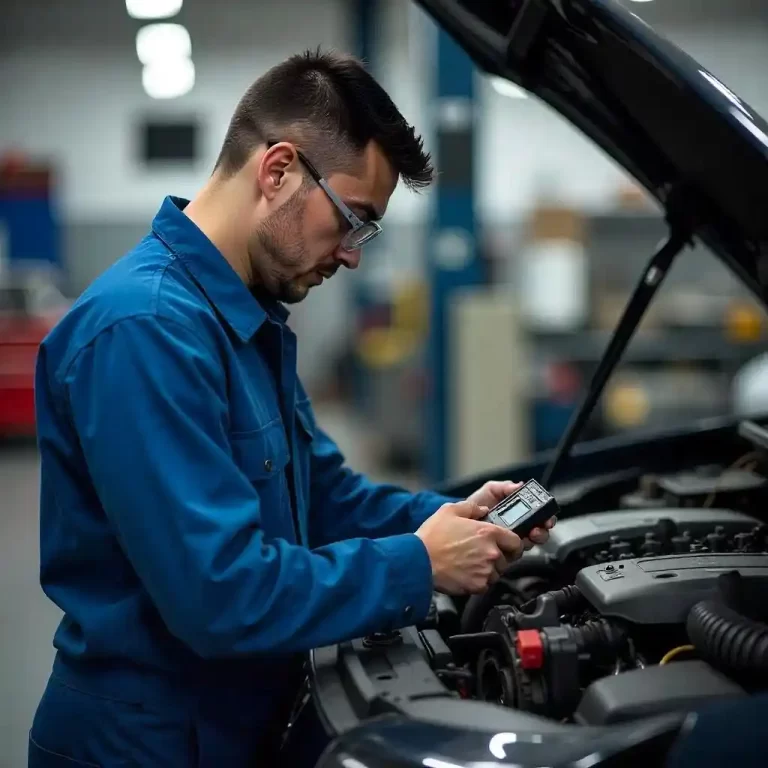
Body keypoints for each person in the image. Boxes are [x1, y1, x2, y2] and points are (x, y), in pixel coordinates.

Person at [29, 49, 554, 767]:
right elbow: (221, 595)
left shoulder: (248, 318)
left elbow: (325, 498)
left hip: (237, 723)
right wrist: (418, 564)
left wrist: (453, 522)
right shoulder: (145, 331)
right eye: (354, 220)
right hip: (148, 741)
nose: (352, 256)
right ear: (277, 171)